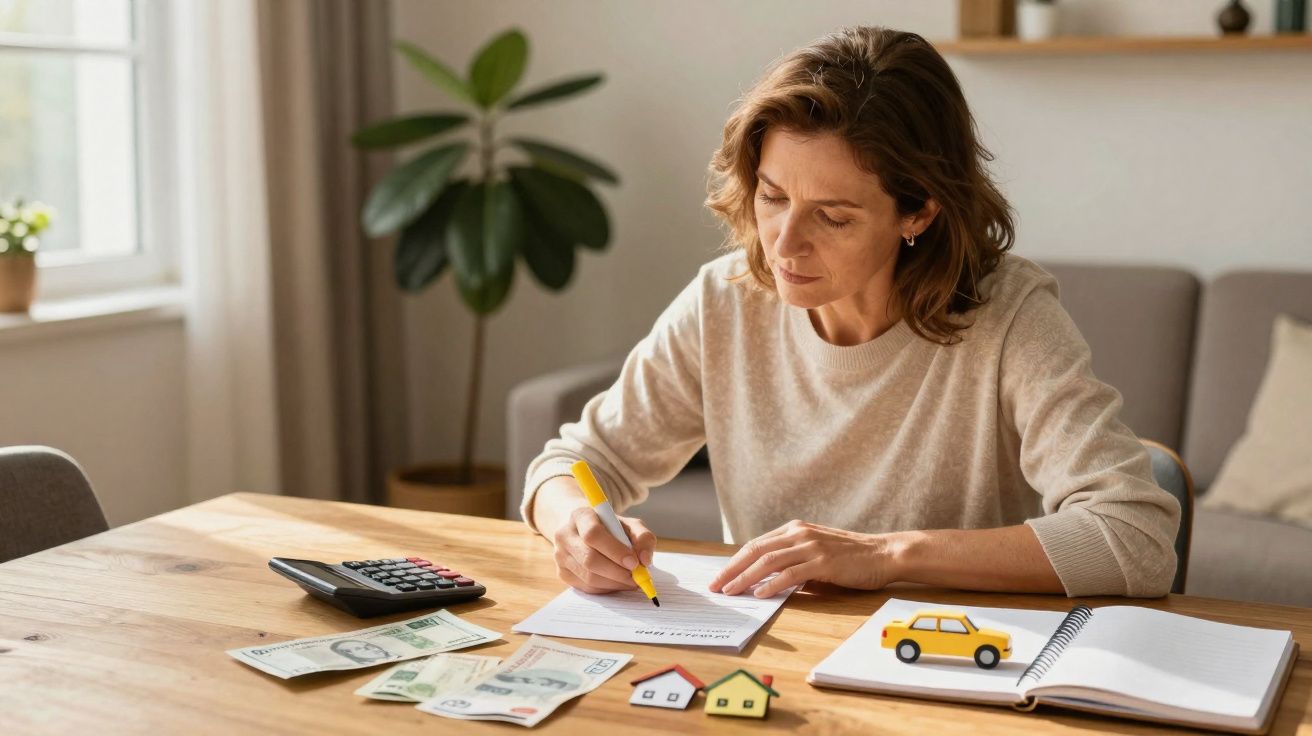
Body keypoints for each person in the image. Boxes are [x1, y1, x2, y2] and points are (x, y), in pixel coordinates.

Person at [521, 26, 1180, 600]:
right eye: (772, 196)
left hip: (952, 664)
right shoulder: (726, 300)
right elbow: (572, 462)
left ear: (919, 212)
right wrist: (575, 522)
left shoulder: (1009, 319)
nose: (783, 243)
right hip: (777, 661)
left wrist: (885, 556)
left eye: (832, 217)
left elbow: (1134, 535)